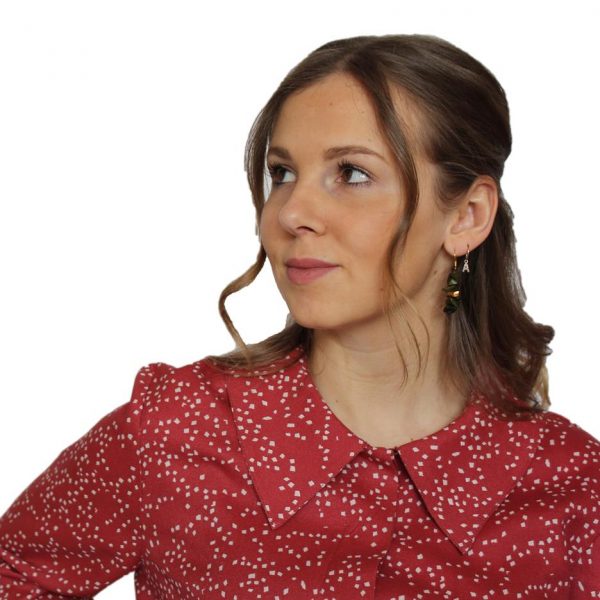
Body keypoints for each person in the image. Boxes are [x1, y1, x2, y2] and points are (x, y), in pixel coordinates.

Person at [0, 33, 598, 599]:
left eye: (352, 174)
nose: (290, 212)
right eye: (282, 174)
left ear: (467, 216)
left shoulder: (574, 488)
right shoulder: (175, 432)